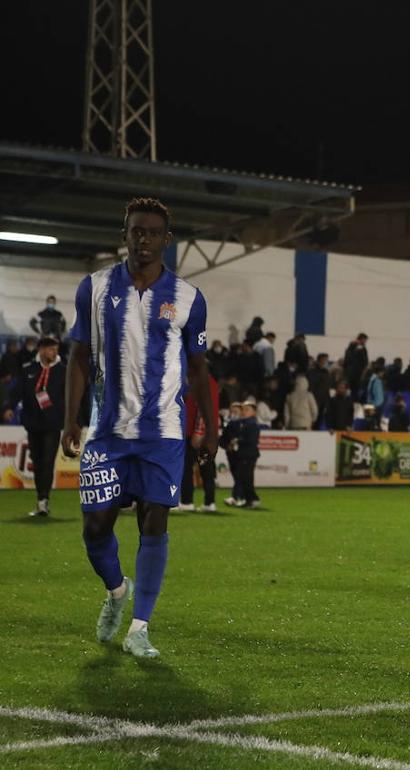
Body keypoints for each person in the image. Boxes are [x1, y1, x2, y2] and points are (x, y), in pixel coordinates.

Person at [62, 196, 216, 659]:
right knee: (95, 528)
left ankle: (140, 628)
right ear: (124, 235)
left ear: (167, 240)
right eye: (136, 231)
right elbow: (78, 356)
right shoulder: (93, 288)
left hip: (163, 432)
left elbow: (199, 367)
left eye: (152, 232)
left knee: (155, 521)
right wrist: (71, 418)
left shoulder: (188, 298)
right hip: (107, 431)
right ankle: (116, 590)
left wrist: (210, 424)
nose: (143, 239)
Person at [20, 336, 66, 517]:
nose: (53, 352)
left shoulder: (63, 371)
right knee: (38, 463)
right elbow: (19, 392)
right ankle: (40, 499)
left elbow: (70, 397)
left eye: (55, 348)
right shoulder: (29, 370)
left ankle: (44, 500)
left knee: (47, 462)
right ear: (41, 350)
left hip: (52, 425)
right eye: (50, 348)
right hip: (33, 424)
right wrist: (7, 408)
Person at [176, 371, 219, 513]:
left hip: (196, 433)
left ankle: (187, 501)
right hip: (206, 433)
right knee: (206, 468)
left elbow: (204, 407)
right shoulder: (208, 381)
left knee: (188, 467)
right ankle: (209, 502)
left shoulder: (202, 381)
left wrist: (199, 432)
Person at [228, 398, 261, 508]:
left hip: (248, 455)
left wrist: (237, 440)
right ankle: (250, 499)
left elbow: (251, 440)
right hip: (245, 454)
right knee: (244, 478)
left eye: (247, 409)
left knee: (246, 478)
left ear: (254, 412)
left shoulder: (252, 424)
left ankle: (252, 499)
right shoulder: (245, 423)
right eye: (243, 409)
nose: (244, 412)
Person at [343, 333, 370, 397]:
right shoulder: (359, 348)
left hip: (352, 374)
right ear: (361, 339)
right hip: (355, 374)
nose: (365, 342)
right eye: (365, 340)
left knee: (352, 391)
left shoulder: (351, 348)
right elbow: (364, 362)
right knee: (354, 391)